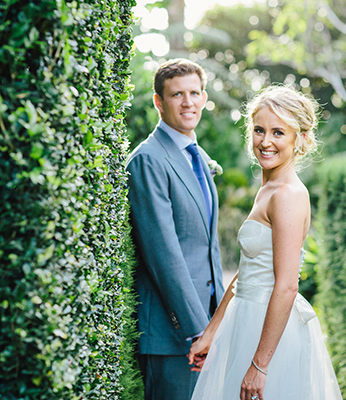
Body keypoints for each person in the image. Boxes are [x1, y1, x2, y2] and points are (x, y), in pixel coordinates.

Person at [187, 85, 342, 400]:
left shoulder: (287, 195)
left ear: (299, 139)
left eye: (278, 133)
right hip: (244, 320)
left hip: (270, 334)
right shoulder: (267, 189)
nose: (266, 141)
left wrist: (260, 365)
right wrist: (212, 332)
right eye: (259, 130)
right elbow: (247, 270)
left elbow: (286, 286)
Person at [126, 58, 225, 400]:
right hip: (176, 333)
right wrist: (199, 331)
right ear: (158, 102)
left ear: (204, 97)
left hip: (208, 323)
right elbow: (163, 254)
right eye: (177, 95)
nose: (188, 102)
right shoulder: (149, 160)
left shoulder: (195, 155)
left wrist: (218, 325)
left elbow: (206, 247)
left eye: (195, 93)